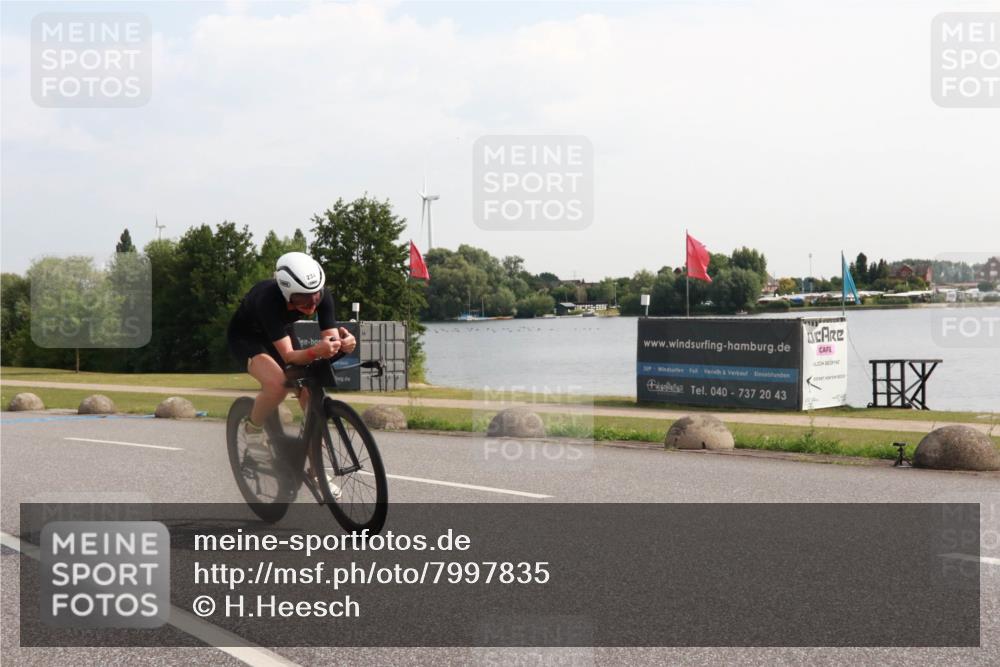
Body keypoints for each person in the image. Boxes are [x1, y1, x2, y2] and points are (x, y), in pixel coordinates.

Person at [227, 252, 356, 487]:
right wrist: (317, 350)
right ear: (286, 292)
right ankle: (253, 428)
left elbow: (330, 342)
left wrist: (344, 345)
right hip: (247, 338)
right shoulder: (268, 298)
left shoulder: (322, 296)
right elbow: (289, 356)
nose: (311, 305)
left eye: (315, 296)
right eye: (301, 300)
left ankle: (316, 471)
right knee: (277, 385)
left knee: (310, 395)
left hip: (280, 334)